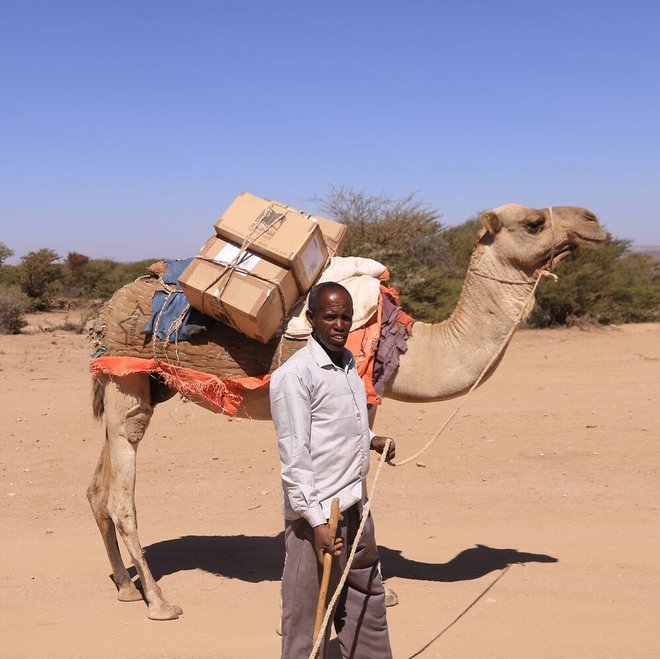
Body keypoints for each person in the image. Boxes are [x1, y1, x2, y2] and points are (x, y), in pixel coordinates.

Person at [270, 281, 396, 659]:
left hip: (356, 503)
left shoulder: (346, 364)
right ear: (312, 319)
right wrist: (316, 523)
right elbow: (295, 457)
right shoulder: (295, 376)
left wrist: (371, 439)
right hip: (319, 515)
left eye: (345, 317)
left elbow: (343, 421)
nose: (339, 325)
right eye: (330, 317)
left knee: (366, 598)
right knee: (307, 614)